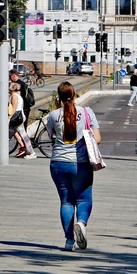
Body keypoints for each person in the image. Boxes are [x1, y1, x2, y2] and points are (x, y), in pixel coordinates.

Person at [45, 82, 101, 251]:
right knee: (84, 199)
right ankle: (81, 224)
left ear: (59, 97)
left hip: (58, 164)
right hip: (80, 163)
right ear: (75, 93)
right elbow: (97, 139)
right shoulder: (86, 112)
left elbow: (51, 135)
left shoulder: (53, 115)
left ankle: (69, 241)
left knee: (66, 201)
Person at [10, 82, 35, 159]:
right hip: (20, 116)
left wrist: (9, 117)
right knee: (22, 135)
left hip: (17, 117)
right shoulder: (18, 95)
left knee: (9, 133)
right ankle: (29, 151)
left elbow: (14, 108)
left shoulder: (14, 96)